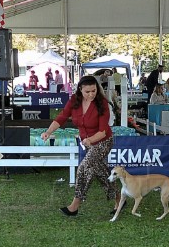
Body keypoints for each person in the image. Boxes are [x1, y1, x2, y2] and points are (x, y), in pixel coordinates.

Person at [41, 76, 120, 217]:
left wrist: (90, 140)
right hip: (88, 143)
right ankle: (119, 199)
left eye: (94, 91)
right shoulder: (74, 101)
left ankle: (74, 206)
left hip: (103, 142)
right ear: (80, 90)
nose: (91, 94)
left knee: (83, 168)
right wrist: (48, 131)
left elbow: (102, 132)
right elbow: (62, 117)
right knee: (101, 173)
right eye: (87, 91)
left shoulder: (102, 103)